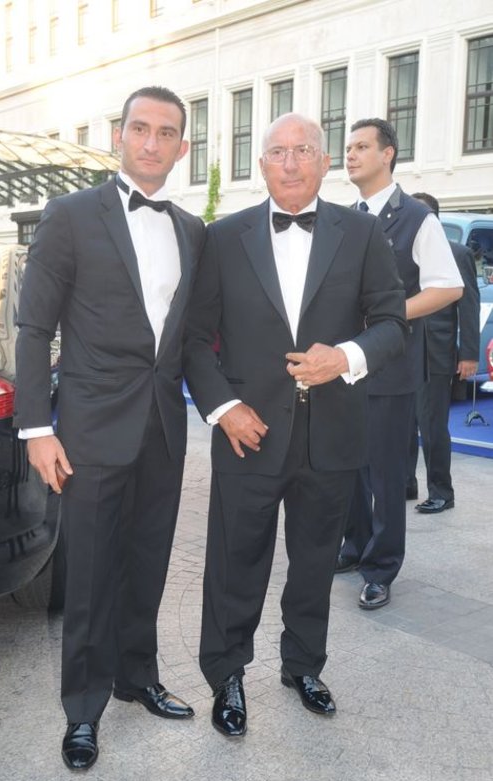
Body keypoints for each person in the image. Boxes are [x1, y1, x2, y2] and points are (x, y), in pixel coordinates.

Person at [183, 113, 407, 738]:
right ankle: (227, 675)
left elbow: (392, 324)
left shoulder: (361, 233)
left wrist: (346, 357)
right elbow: (195, 340)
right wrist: (225, 408)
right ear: (261, 164)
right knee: (235, 563)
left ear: (324, 162)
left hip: (331, 434)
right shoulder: (221, 237)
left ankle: (303, 666)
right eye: (277, 151)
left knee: (314, 564)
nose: (290, 162)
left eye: (303, 150)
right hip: (247, 434)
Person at [14, 86, 205, 771]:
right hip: (90, 429)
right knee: (92, 573)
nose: (152, 142)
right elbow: (33, 328)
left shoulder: (192, 230)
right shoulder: (69, 216)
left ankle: (137, 675)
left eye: (166, 132)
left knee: (148, 560)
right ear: (119, 136)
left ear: (183, 147)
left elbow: (191, 340)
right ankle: (83, 709)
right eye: (140, 128)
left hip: (163, 426)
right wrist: (36, 428)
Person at [335, 119, 463, 609]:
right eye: (348, 147)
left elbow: (447, 287)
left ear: (388, 154)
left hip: (391, 365)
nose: (350, 155)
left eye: (361, 147)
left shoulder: (416, 218)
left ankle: (381, 568)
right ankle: (354, 546)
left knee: (387, 475)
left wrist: (391, 314)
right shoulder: (344, 218)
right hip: (344, 366)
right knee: (349, 467)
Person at [407, 192, 480, 512]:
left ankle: (441, 491)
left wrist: (469, 355)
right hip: (402, 351)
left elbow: (469, 306)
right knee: (403, 422)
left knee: (432, 424)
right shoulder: (402, 252)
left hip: (436, 352)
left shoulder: (457, 253)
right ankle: (406, 483)